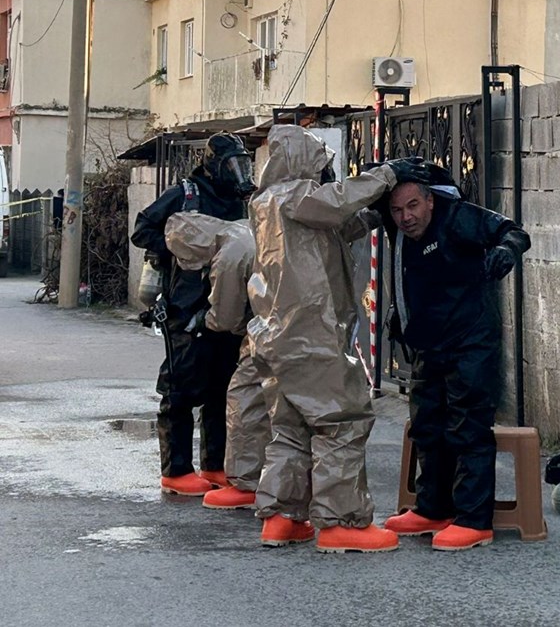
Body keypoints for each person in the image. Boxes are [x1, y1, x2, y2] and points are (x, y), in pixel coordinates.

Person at [247, 124, 398, 552]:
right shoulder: (295, 195)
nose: (326, 173)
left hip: (275, 336)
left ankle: (281, 518)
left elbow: (327, 229)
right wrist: (384, 176)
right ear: (303, 163)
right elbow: (333, 204)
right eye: (321, 164)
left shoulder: (265, 203)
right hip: (309, 334)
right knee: (342, 421)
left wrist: (368, 216)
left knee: (290, 428)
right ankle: (341, 522)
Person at [380, 158, 530, 551]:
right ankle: (432, 508)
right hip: (429, 343)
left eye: (412, 206)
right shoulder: (394, 228)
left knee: (468, 425)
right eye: (397, 210)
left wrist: (505, 253)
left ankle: (473, 520)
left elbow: (513, 232)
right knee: (428, 424)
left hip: (470, 339)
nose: (405, 217)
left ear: (430, 202)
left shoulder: (458, 217)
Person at [131, 132, 256, 496]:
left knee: (222, 388)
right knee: (181, 388)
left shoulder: (240, 201)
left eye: (243, 164)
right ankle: (176, 470)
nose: (238, 172)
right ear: (212, 164)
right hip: (185, 306)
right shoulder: (187, 194)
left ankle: (215, 465)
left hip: (226, 306)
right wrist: (180, 250)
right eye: (232, 164)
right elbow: (143, 230)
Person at [162, 213, 269, 512]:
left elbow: (226, 317)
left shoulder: (228, 256)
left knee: (243, 396)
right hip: (302, 318)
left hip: (269, 327)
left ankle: (245, 484)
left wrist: (203, 319)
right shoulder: (241, 227)